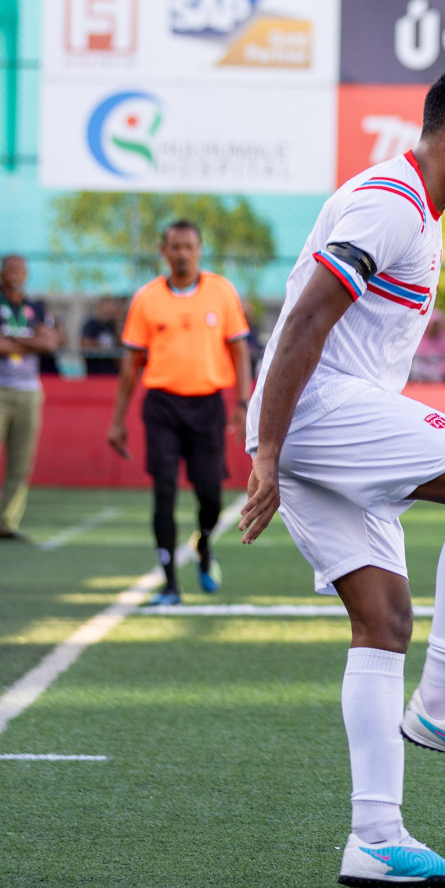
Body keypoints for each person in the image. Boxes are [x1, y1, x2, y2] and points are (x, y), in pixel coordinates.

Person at [238, 61, 445, 888]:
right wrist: (269, 449)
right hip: (316, 411)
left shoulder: (418, 212)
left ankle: (374, 838)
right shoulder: (390, 203)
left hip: (310, 419)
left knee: (383, 620)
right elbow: (304, 321)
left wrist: (273, 444)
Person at [107, 221, 252, 607]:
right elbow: (130, 365)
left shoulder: (221, 292)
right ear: (163, 251)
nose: (183, 253)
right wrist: (118, 419)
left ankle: (204, 544)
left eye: (189, 246)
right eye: (175, 247)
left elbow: (239, 352)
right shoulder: (147, 299)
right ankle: (170, 583)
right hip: (163, 408)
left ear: (200, 249)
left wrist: (242, 402)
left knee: (210, 496)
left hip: (207, 406)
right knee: (164, 491)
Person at [0, 255, 58, 543]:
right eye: (11, 269)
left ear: (27, 273)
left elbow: (49, 343)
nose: (16, 273)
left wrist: (11, 340)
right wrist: (29, 340)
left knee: (21, 459)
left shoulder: (36, 306)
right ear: (1, 273)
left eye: (21, 269)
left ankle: (8, 522)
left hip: (29, 389)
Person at [80, 295, 126, 376]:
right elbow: (85, 344)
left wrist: (119, 321)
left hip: (113, 374)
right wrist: (101, 346)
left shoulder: (114, 325)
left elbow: (122, 345)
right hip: (94, 372)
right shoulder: (91, 324)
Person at [410, 314, 445, 383]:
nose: (434, 328)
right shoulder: (418, 344)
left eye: (437, 325)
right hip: (423, 384)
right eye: (433, 324)